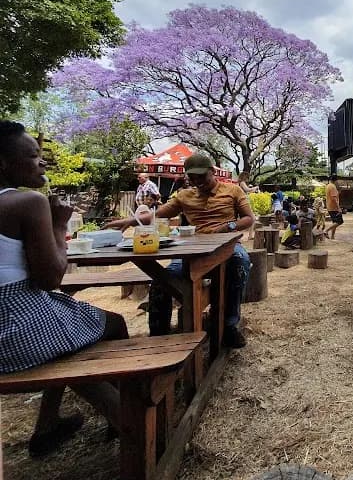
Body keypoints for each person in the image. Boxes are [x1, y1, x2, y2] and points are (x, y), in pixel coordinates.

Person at [0, 121, 129, 456]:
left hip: (14, 323)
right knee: (113, 325)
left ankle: (47, 427)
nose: (42, 162)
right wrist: (59, 224)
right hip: (14, 331)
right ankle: (129, 424)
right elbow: (52, 278)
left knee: (66, 328)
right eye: (33, 156)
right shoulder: (27, 203)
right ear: (3, 163)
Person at [106, 153, 253, 348]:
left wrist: (229, 227)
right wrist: (130, 221)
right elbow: (157, 214)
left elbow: (249, 218)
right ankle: (158, 336)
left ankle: (229, 326)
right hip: (193, 250)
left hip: (228, 246)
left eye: (202, 176)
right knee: (161, 281)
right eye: (193, 177)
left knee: (240, 263)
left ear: (212, 171)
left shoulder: (233, 190)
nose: (197, 181)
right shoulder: (184, 196)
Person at [324, 174, 343, 239]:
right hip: (334, 207)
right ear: (336, 180)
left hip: (330, 206)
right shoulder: (333, 187)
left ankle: (332, 236)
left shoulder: (328, 186)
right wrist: (339, 208)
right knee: (340, 221)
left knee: (334, 222)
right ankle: (326, 230)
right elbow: (334, 199)